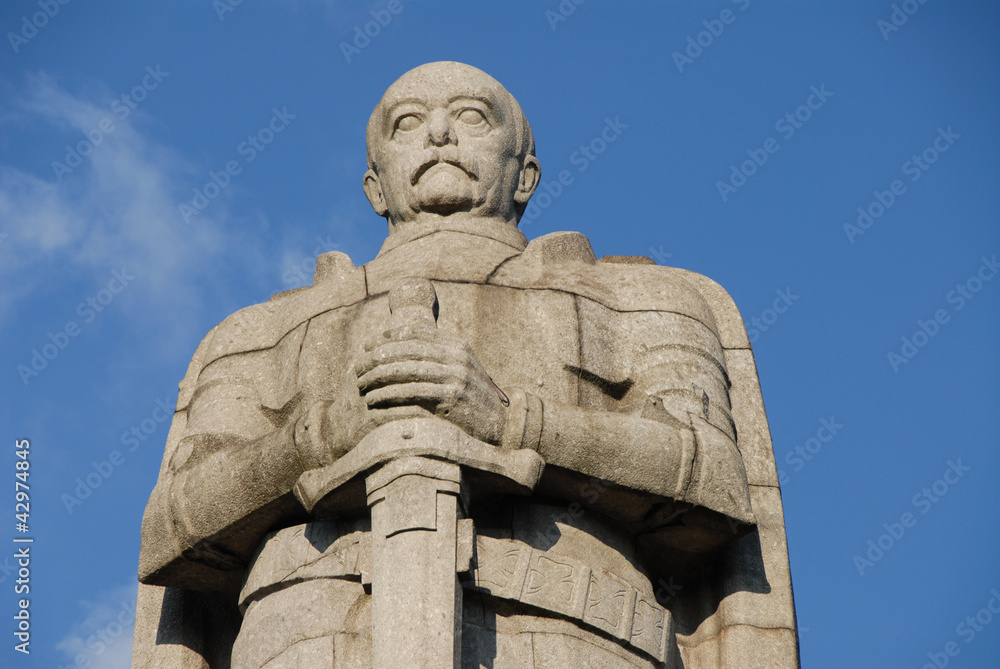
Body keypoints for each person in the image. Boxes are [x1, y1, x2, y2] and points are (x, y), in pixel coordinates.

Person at [134, 62, 798, 669]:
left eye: (473, 116)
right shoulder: (259, 331)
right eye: (408, 123)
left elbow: (714, 477)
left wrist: (513, 422)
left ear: (526, 174)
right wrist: (326, 433)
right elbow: (170, 528)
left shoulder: (640, 299)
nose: (441, 134)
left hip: (574, 636)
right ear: (375, 184)